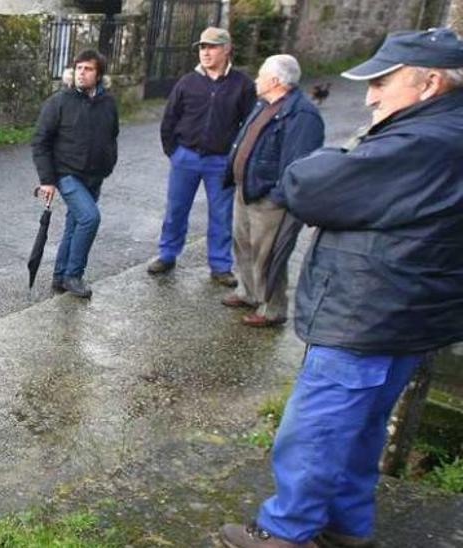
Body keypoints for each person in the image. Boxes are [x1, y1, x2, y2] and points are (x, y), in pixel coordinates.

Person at [218, 28, 463, 548]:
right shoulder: (447, 130)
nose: (371, 95)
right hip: (406, 311)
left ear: (430, 82)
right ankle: (348, 525)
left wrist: (350, 148)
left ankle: (285, 530)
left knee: (317, 428)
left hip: (369, 309)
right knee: (362, 427)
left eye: (383, 82)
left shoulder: (423, 140)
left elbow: (308, 185)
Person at [221, 54, 324, 327]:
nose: (256, 79)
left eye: (261, 75)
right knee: (243, 245)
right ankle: (249, 291)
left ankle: (273, 308)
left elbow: (299, 164)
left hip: (269, 199)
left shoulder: (302, 114)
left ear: (276, 81)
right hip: (246, 190)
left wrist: (278, 196)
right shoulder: (264, 103)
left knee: (268, 254)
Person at [150, 27, 257, 287]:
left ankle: (220, 266)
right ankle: (167, 254)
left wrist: (235, 157)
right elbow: (170, 119)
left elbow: (249, 125)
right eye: (202, 47)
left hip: (220, 162)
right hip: (185, 157)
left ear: (227, 49)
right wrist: (173, 152)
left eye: (212, 47)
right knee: (176, 209)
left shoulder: (241, 84)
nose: (205, 52)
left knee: (221, 214)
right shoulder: (187, 82)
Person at [31, 49, 120, 299]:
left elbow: (112, 135)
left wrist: (109, 163)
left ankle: (60, 276)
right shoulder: (59, 102)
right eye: (79, 68)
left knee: (75, 224)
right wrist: (47, 180)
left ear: (98, 74)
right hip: (67, 174)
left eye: (88, 68)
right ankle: (74, 275)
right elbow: (40, 141)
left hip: (95, 176)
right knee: (90, 218)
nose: (82, 73)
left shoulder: (108, 102)